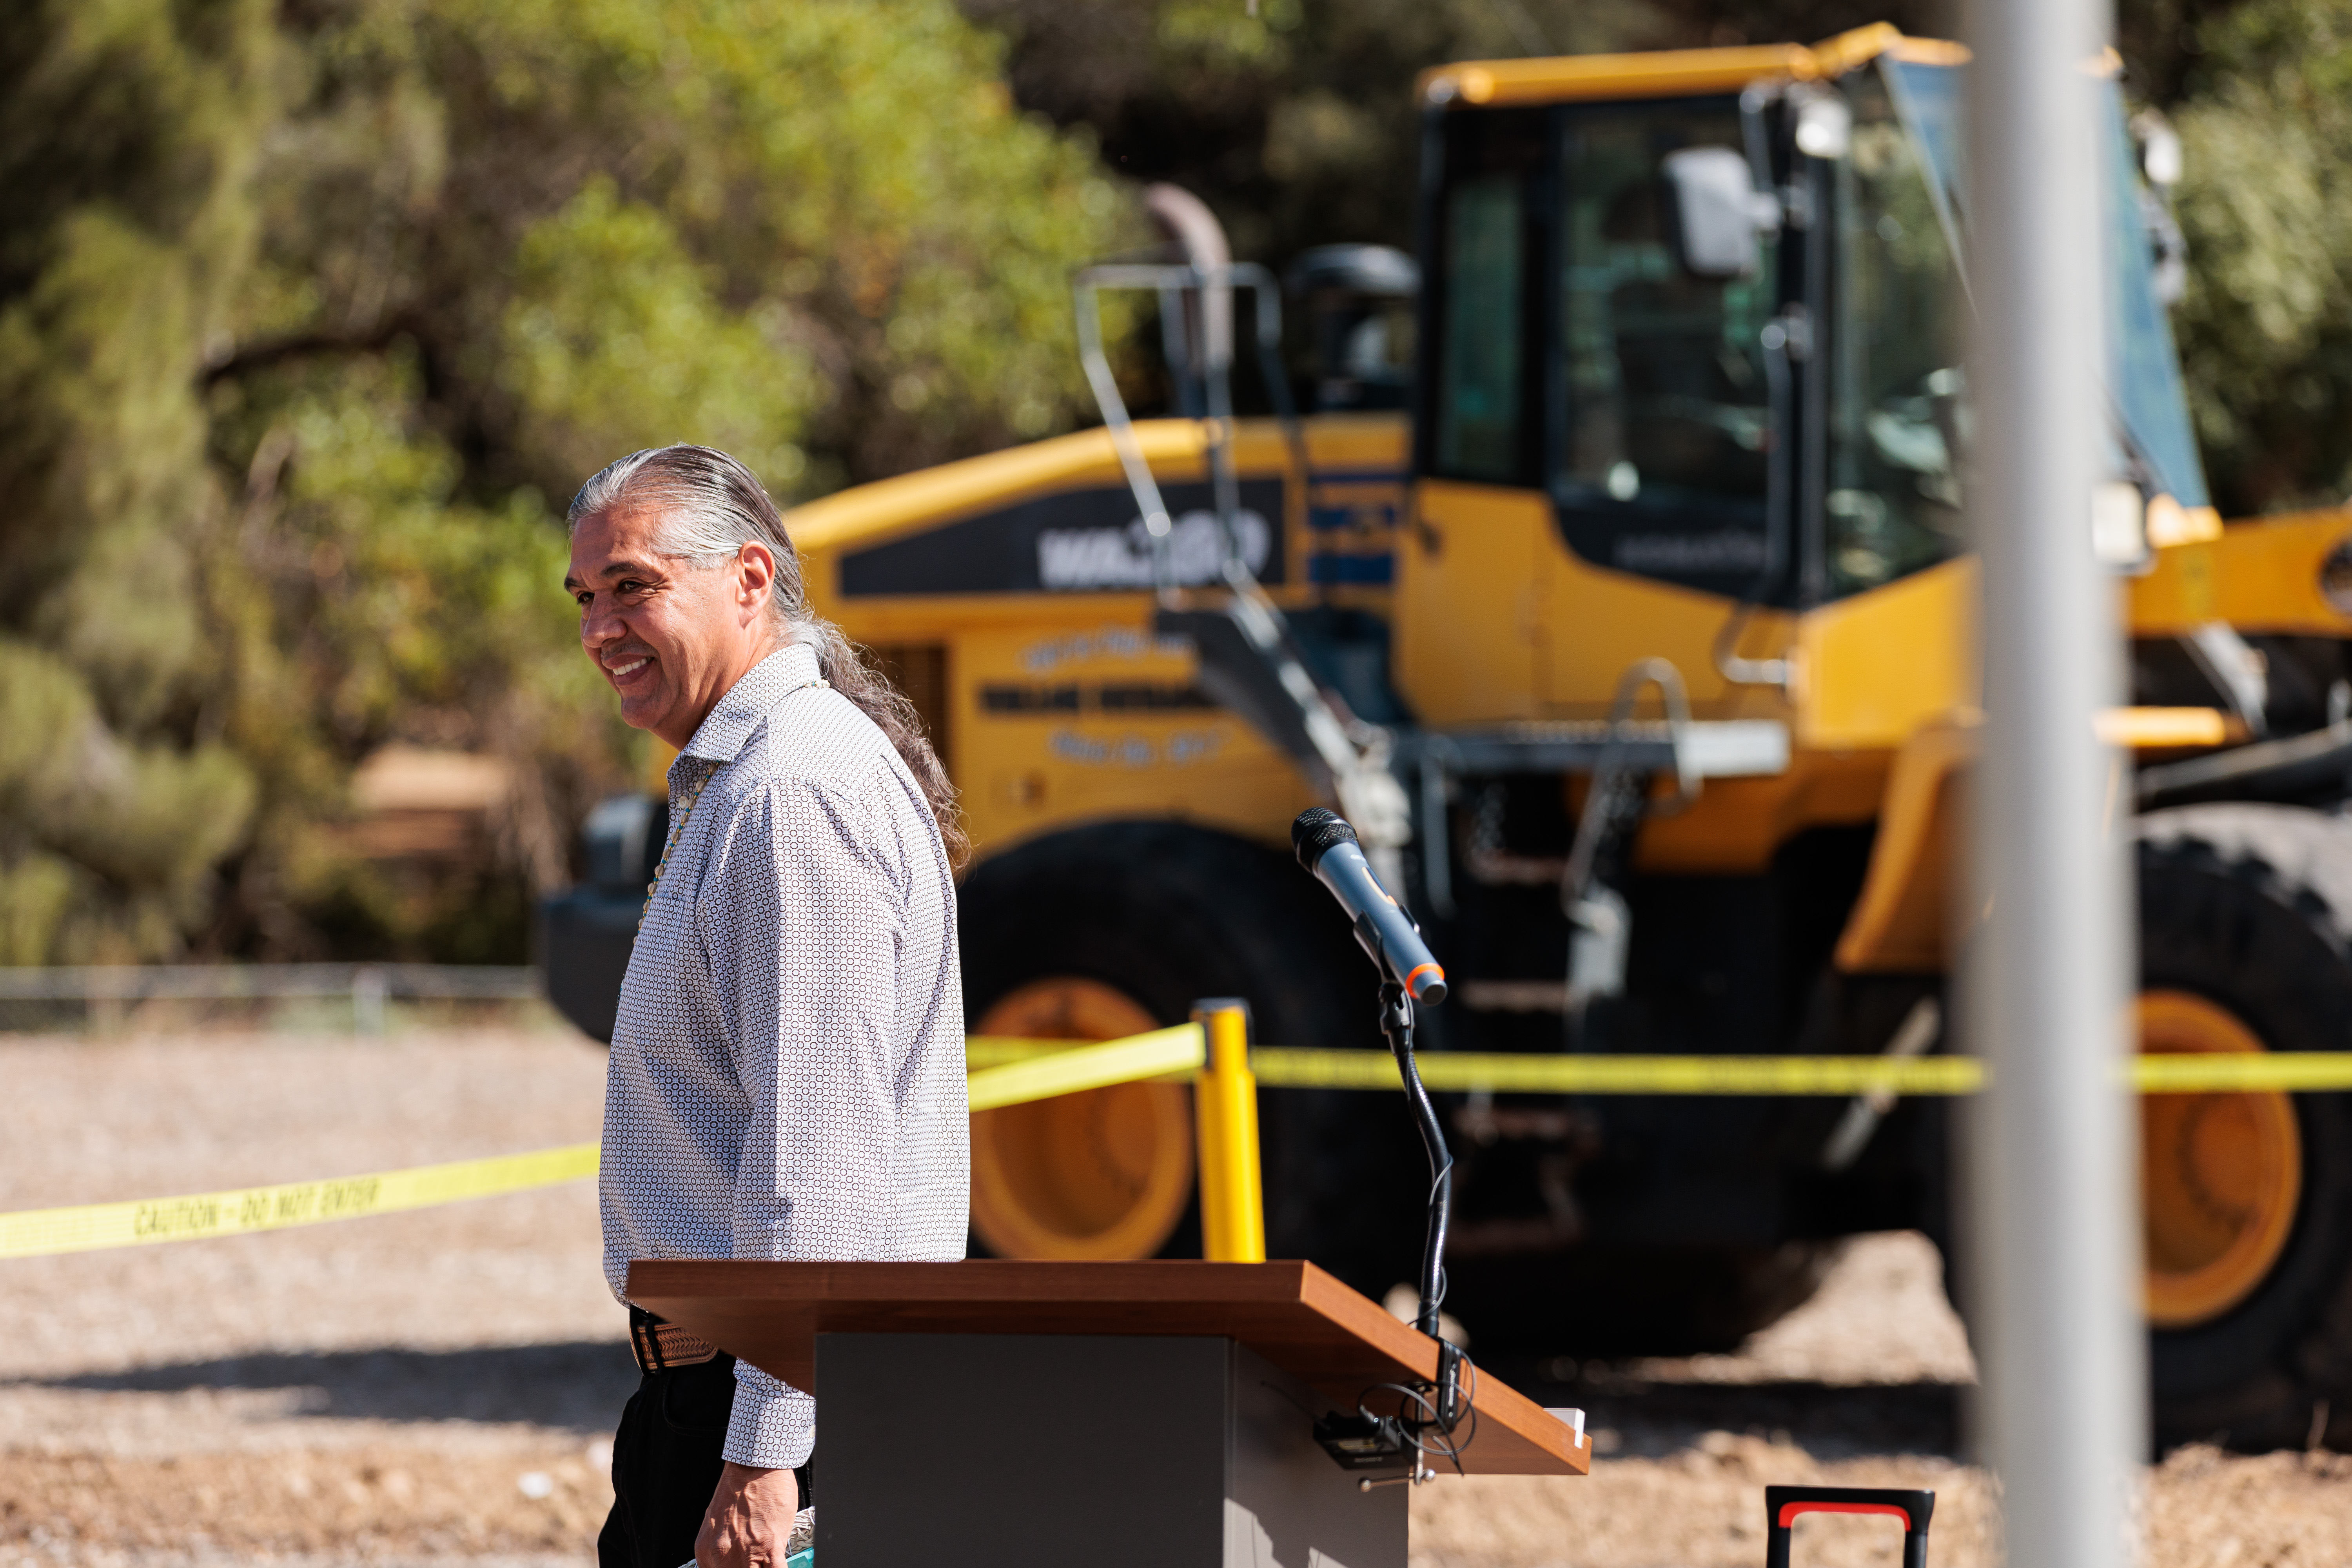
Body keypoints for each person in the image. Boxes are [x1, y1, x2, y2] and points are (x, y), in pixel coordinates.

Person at [564, 445, 969, 1568]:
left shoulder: (792, 795)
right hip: (733, 1410)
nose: (601, 627)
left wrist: (765, 1453)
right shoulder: (754, 781)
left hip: (769, 1430)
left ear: (750, 580)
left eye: (634, 587)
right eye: (587, 597)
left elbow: (819, 1163)